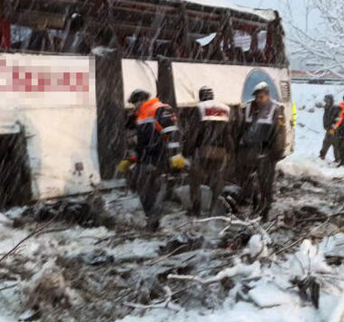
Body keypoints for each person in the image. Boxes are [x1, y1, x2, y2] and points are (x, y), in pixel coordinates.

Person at [121, 89, 181, 229]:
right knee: (145, 191)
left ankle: (153, 222)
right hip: (144, 160)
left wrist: (175, 157)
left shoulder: (159, 109)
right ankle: (151, 219)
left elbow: (172, 133)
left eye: (135, 103)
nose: (134, 106)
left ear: (141, 101)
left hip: (158, 158)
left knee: (156, 190)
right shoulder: (139, 115)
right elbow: (136, 140)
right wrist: (131, 159)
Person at [236, 82, 286, 220]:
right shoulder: (248, 109)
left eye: (261, 97)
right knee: (248, 183)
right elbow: (240, 130)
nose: (258, 100)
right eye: (257, 97)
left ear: (267, 96)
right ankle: (254, 207)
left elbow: (279, 134)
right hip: (249, 152)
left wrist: (276, 153)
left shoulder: (275, 110)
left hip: (266, 153)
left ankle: (265, 211)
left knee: (265, 184)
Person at [183, 86, 232, 216]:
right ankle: (214, 209)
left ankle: (196, 209)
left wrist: (187, 150)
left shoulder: (199, 108)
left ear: (201, 96)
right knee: (216, 181)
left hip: (203, 150)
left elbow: (194, 133)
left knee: (195, 180)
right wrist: (229, 150)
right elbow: (228, 133)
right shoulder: (225, 109)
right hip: (220, 151)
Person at [319, 94, 340, 161]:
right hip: (328, 129)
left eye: (327, 100)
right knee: (328, 143)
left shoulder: (335, 109)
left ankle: (337, 158)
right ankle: (323, 156)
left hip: (333, 129)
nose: (326, 102)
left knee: (331, 143)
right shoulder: (327, 108)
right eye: (325, 100)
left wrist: (333, 128)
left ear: (331, 101)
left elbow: (337, 119)